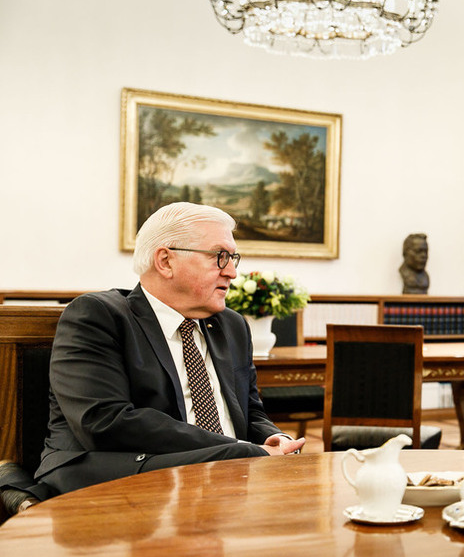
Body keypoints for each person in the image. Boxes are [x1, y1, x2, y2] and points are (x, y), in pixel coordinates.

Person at [31, 202, 304, 497]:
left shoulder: (232, 325)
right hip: (119, 475)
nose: (232, 273)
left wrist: (273, 438)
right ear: (165, 261)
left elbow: (249, 411)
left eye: (233, 258)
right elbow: (104, 421)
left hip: (226, 479)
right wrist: (238, 450)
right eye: (219, 257)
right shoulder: (99, 315)